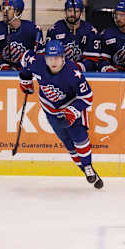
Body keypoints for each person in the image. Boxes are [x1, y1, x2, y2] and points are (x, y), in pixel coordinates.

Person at [19, 40, 103, 189]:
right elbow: (25, 62)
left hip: (71, 107)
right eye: (50, 58)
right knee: (69, 145)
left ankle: (88, 165)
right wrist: (25, 80)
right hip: (51, 111)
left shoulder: (73, 73)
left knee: (80, 139)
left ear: (63, 57)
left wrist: (72, 111)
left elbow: (88, 97)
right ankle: (87, 171)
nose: (53, 61)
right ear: (44, 58)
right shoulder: (37, 63)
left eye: (57, 57)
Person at [41, 0, 100, 72]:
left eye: (76, 11)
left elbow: (92, 62)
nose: (72, 14)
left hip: (82, 74)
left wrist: (73, 68)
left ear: (81, 13)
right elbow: (48, 56)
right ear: (65, 12)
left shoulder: (90, 31)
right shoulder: (55, 30)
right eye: (69, 10)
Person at [0, 0, 43, 70]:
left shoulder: (33, 29)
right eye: (3, 8)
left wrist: (27, 66)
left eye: (9, 9)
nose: (4, 11)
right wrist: (3, 67)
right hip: (3, 74)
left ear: (18, 11)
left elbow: (40, 55)